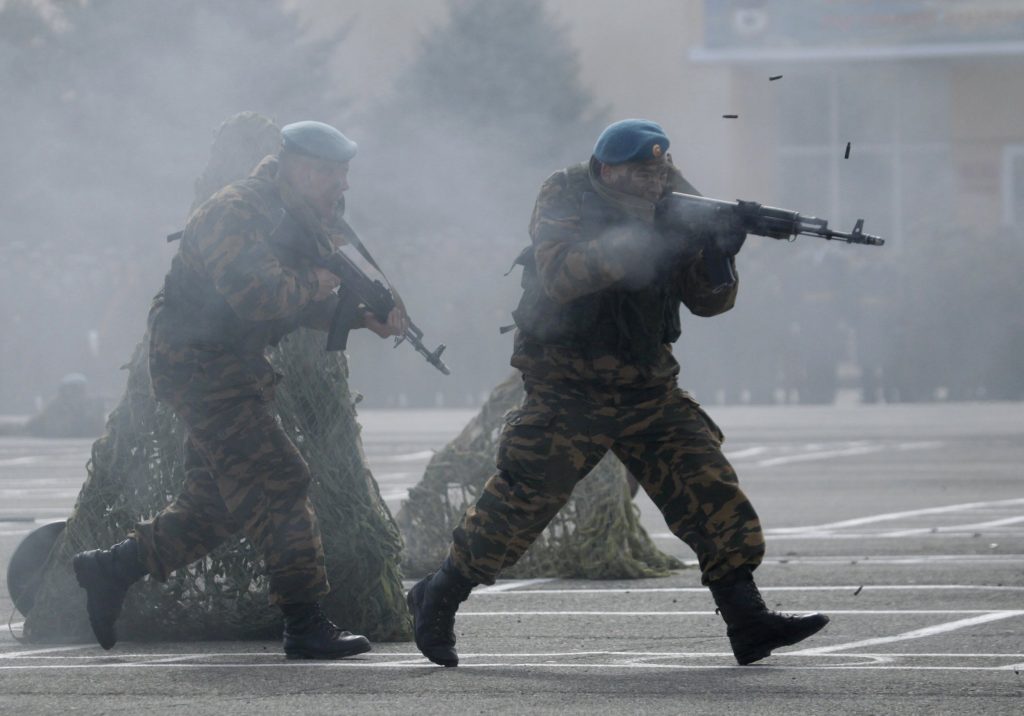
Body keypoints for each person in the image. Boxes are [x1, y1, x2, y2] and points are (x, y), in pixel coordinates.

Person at [407, 119, 829, 667]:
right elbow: (560, 274)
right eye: (641, 173)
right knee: (520, 503)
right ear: (607, 171)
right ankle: (439, 596)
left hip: (647, 387)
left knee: (710, 492)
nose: (655, 181)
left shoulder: (678, 197)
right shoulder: (566, 192)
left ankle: (747, 621)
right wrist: (648, 238)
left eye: (660, 169)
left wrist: (719, 254)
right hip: (568, 388)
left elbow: (708, 303)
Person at [73, 120, 407, 659]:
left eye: (344, 174)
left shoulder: (300, 214)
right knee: (281, 477)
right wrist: (318, 282)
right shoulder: (236, 211)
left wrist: (361, 316)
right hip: (199, 364)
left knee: (216, 504)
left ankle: (112, 568)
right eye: (332, 174)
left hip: (231, 364)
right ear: (300, 168)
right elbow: (258, 298)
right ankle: (305, 624)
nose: (342, 185)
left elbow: (293, 303)